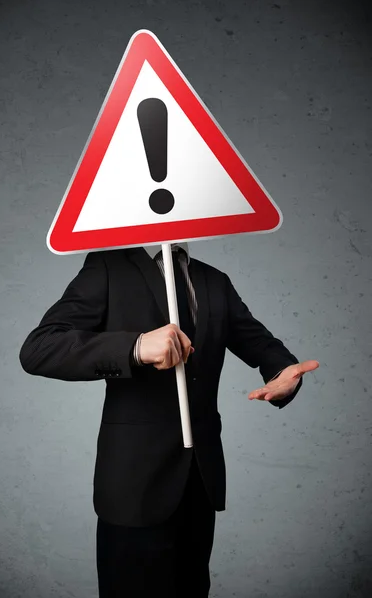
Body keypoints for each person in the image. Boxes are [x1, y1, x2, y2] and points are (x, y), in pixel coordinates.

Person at [19, 242, 319, 598]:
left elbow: (262, 346)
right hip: (133, 485)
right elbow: (39, 349)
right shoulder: (108, 269)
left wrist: (283, 373)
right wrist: (135, 347)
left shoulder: (214, 280)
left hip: (200, 481)